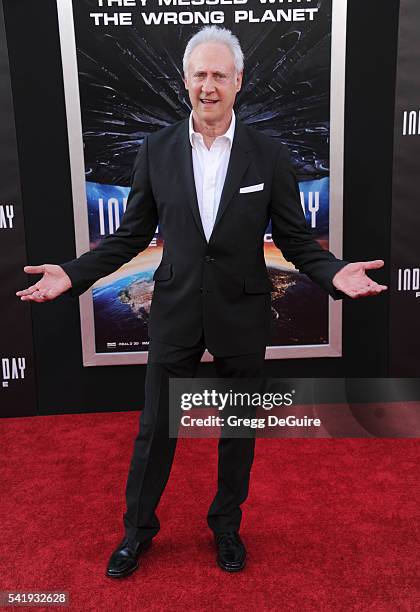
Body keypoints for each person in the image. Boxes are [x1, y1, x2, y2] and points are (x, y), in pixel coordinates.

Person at [16, 26, 387, 576]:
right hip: (177, 311)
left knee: (237, 428)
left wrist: (334, 275)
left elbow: (295, 239)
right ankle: (136, 532)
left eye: (219, 74)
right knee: (154, 429)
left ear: (239, 80)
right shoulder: (155, 150)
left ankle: (227, 528)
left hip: (242, 313)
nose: (208, 85)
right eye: (199, 75)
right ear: (185, 81)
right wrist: (71, 276)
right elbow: (127, 237)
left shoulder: (270, 156)